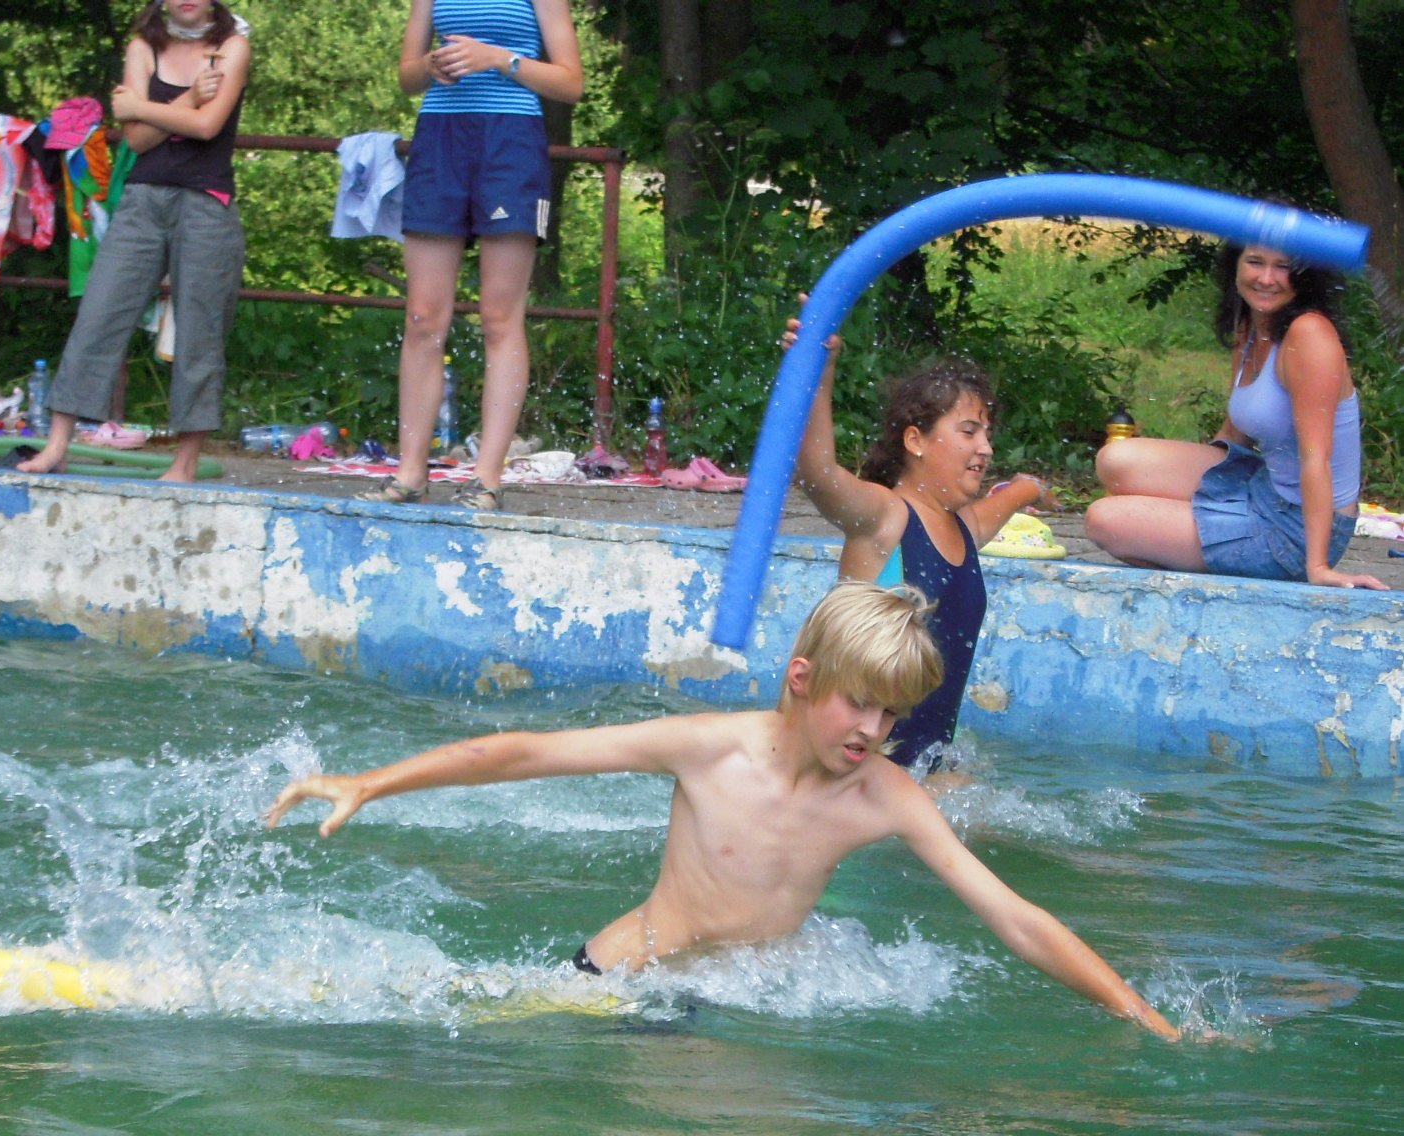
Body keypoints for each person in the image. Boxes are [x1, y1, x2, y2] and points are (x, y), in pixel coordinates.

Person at [266, 581, 1179, 1038]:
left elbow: (1013, 918)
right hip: (619, 982)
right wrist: (371, 782)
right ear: (802, 678)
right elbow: (529, 753)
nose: (873, 730)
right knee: (445, 1026)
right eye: (858, 704)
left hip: (735, 1002)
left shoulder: (886, 797)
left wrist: (1136, 1011)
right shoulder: (711, 748)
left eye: (892, 714)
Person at [791, 332, 1055, 772]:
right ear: (915, 440)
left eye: (988, 434)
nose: (986, 448)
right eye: (968, 431)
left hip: (919, 770)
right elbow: (817, 472)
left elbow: (1010, 497)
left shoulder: (966, 527)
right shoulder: (884, 518)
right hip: (847, 766)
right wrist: (820, 370)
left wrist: (1033, 490)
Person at [358, 0, 583, 511]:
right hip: (440, 138)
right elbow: (407, 77)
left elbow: (571, 83)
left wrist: (499, 59)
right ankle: (411, 473)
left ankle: (486, 478)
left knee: (499, 317)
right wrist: (429, 66)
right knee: (422, 316)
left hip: (511, 140)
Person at [17, 0, 249, 483]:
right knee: (99, 314)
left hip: (207, 205)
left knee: (200, 332)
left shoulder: (231, 47)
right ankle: (57, 446)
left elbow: (206, 126)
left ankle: (184, 464)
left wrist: (141, 109)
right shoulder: (144, 47)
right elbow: (138, 141)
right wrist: (189, 99)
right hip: (142, 201)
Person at [1085, 243, 1385, 590]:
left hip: (1297, 530)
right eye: (1255, 262)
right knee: (1115, 460)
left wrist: (1317, 567)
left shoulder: (1309, 333)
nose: (1266, 279)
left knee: (1105, 520)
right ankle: (1206, 536)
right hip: (1260, 485)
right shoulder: (1251, 325)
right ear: (1236, 265)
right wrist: (1189, 494)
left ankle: (1220, 555)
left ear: (1304, 275)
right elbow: (1233, 435)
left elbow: (1316, 459)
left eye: (1282, 266)